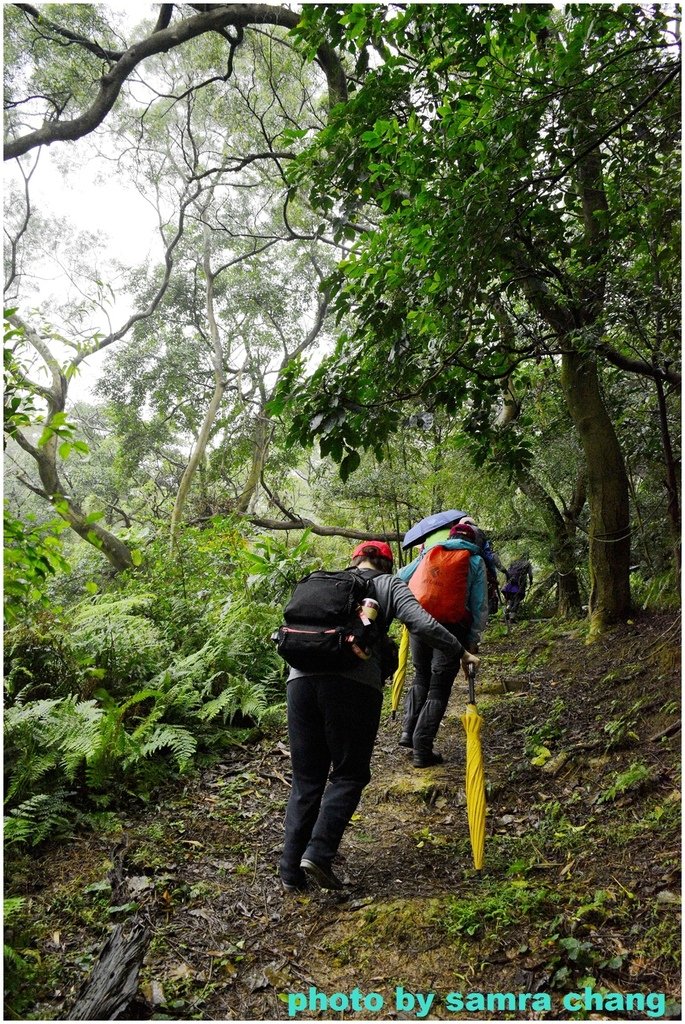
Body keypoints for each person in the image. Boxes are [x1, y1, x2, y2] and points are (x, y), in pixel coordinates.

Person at [279, 540, 480, 892]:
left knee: (306, 779)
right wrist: (460, 650)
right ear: (386, 564)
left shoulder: (323, 581)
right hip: (353, 686)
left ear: (355, 558)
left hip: (298, 683)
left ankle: (290, 873)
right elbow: (422, 624)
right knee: (349, 773)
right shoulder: (388, 585)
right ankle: (319, 853)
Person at [398, 522, 488, 767]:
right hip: (451, 630)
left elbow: (401, 577)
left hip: (420, 622)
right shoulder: (474, 561)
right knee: (438, 686)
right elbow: (479, 606)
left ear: (451, 536)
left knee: (421, 676)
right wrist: (471, 641)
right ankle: (422, 749)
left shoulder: (431, 551)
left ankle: (408, 731)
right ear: (473, 541)